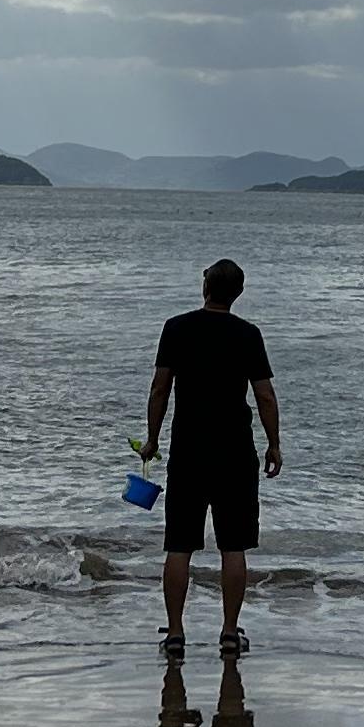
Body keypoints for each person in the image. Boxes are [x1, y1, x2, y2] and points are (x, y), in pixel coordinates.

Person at [137, 256, 281, 654]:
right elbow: (265, 394)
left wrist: (152, 439)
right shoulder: (248, 335)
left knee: (179, 545)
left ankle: (176, 633)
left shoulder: (177, 328)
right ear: (237, 294)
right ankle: (230, 632)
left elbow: (160, 389)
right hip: (235, 453)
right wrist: (274, 443)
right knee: (233, 546)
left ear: (206, 289)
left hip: (189, 451)